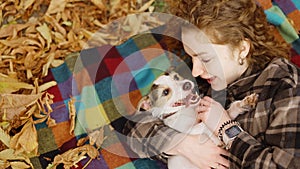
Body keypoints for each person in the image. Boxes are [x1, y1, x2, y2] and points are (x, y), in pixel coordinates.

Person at [123, 0, 300, 168]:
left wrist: (226, 129)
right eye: (192, 56)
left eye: (206, 58)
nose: (195, 71)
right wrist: (185, 145)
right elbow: (131, 125)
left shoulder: (284, 85)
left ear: (242, 48)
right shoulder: (194, 76)